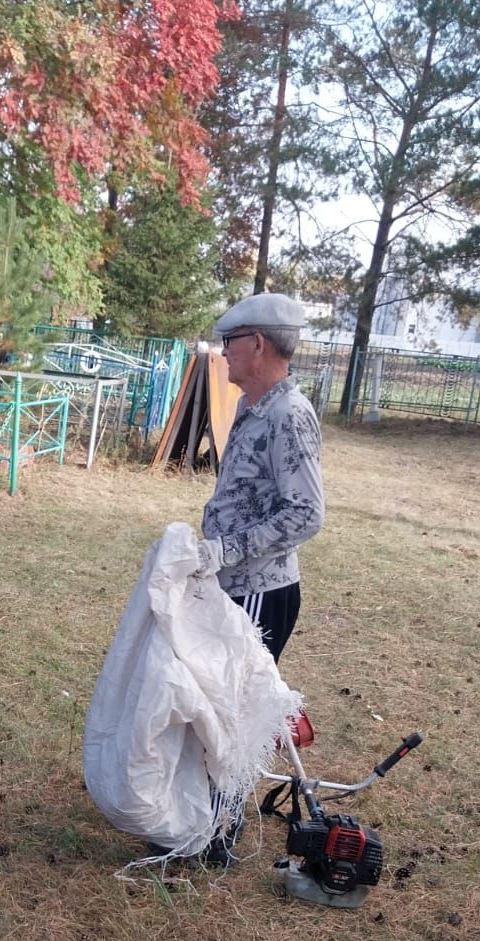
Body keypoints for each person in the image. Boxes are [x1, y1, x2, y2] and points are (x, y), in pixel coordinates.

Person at [195, 291, 324, 862]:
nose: (223, 354)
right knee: (218, 703)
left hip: (259, 590)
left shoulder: (288, 414)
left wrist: (229, 550)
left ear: (257, 344)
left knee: (235, 712)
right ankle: (208, 820)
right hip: (234, 586)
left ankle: (218, 835)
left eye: (230, 343)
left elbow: (306, 513)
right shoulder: (254, 405)